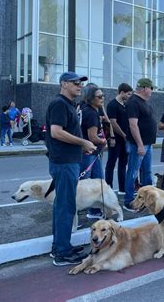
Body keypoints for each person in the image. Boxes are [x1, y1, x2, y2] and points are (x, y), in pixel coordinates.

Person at [45, 71, 96, 266]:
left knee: (62, 205)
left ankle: (60, 246)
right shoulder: (59, 103)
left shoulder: (68, 105)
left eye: (81, 83)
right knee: (66, 207)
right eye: (75, 83)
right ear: (64, 84)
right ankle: (62, 252)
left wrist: (82, 147)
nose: (79, 86)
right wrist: (84, 142)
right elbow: (56, 132)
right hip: (64, 163)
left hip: (69, 161)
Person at [123, 78, 158, 212]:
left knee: (147, 173)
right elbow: (133, 124)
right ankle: (129, 201)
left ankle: (147, 200)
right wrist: (140, 145)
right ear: (144, 88)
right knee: (132, 172)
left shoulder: (144, 102)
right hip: (139, 145)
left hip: (147, 144)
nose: (152, 91)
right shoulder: (133, 102)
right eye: (151, 88)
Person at [80, 86, 107, 219]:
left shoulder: (85, 110)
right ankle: (83, 211)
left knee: (96, 182)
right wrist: (103, 141)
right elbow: (92, 137)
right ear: (91, 98)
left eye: (103, 96)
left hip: (88, 152)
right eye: (99, 97)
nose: (102, 99)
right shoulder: (91, 113)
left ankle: (94, 210)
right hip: (90, 152)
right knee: (90, 183)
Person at [105, 83, 133, 194]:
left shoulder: (125, 105)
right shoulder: (112, 105)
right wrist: (123, 135)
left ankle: (122, 188)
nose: (130, 96)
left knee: (123, 163)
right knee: (111, 163)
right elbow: (113, 122)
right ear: (122, 92)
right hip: (115, 139)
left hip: (125, 140)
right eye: (128, 94)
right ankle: (109, 188)